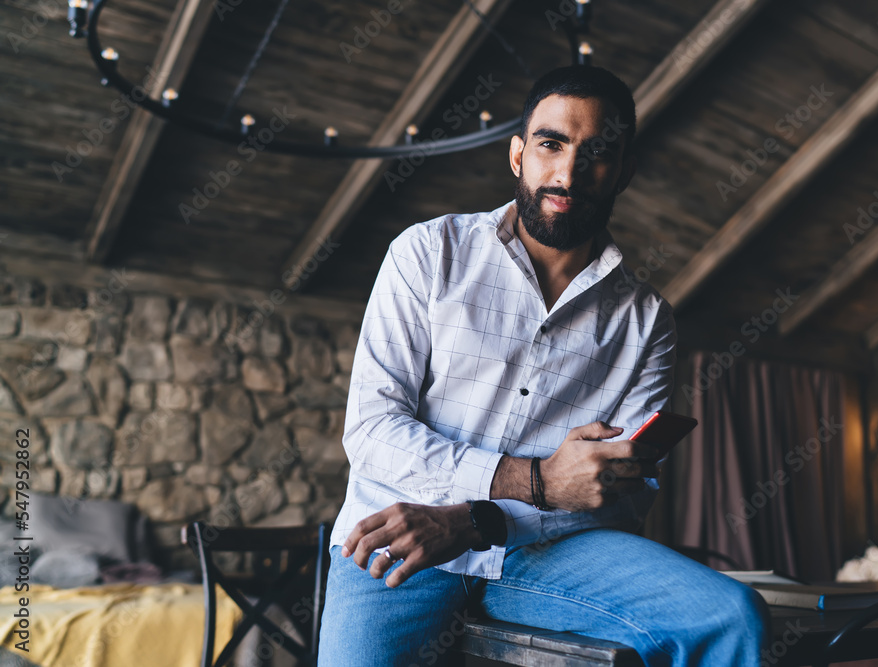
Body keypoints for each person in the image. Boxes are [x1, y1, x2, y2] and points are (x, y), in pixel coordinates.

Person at [318, 65, 768, 667]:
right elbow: (372, 431)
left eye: (597, 154)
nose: (568, 173)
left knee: (734, 617)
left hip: (544, 552)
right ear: (517, 155)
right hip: (399, 537)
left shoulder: (646, 320)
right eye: (551, 144)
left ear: (623, 173)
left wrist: (483, 522)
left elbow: (628, 498)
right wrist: (534, 481)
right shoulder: (427, 254)